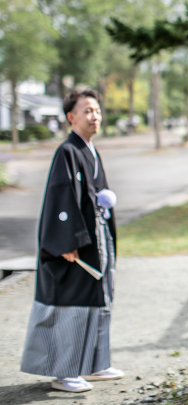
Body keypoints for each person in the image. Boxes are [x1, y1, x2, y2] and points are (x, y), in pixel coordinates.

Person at [20, 88, 123, 392]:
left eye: (98, 111)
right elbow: (61, 197)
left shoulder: (89, 150)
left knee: (99, 298)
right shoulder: (67, 152)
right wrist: (65, 241)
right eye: (88, 110)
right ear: (71, 117)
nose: (95, 116)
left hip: (97, 236)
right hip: (75, 242)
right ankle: (64, 371)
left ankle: (94, 363)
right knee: (72, 303)